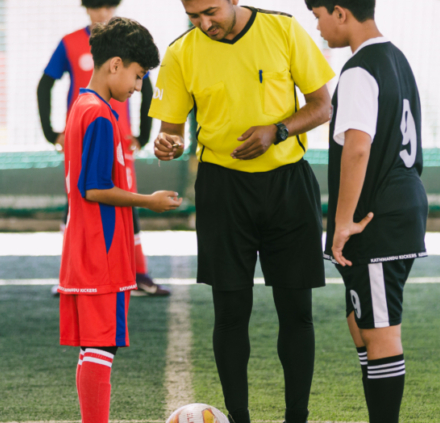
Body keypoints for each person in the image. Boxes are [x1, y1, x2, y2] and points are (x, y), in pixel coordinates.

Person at [150, 0, 335, 421]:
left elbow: (322, 106)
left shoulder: (283, 30)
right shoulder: (181, 52)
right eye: (194, 16)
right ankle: (238, 418)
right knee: (230, 313)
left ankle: (297, 418)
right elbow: (171, 130)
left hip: (288, 186)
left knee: (297, 312)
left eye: (211, 11)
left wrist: (278, 130)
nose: (204, 23)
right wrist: (168, 144)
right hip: (222, 190)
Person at [56, 17, 181, 423]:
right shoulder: (99, 115)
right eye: (138, 75)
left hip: (88, 247)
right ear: (115, 65)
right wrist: (149, 200)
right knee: (100, 346)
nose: (139, 87)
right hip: (100, 250)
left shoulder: (83, 106)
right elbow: (94, 188)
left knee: (94, 347)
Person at [308, 1, 426, 422]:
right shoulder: (397, 58)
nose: (318, 28)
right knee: (361, 325)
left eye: (318, 16)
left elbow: (358, 148)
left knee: (380, 335)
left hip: (377, 218)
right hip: (400, 206)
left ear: (340, 12)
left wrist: (342, 223)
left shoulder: (359, 69)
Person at [39, 0, 169, 297]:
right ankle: (80, 274)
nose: (104, 13)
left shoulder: (127, 45)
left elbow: (147, 87)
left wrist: (142, 135)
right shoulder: (72, 45)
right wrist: (51, 133)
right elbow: (45, 84)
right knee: (89, 197)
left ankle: (132, 274)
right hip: (89, 131)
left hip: (118, 137)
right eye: (98, 7)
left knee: (107, 198)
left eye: (109, 7)